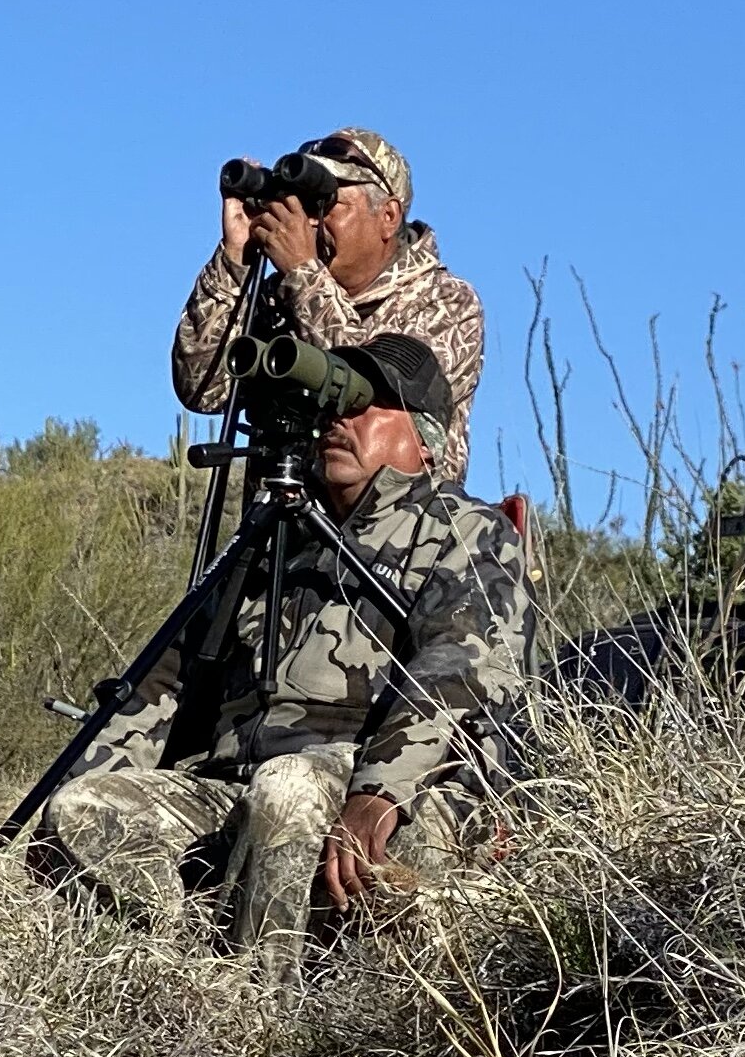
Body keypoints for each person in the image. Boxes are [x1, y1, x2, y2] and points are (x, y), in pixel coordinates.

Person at [43, 335, 530, 970]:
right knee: (82, 810)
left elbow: (458, 670)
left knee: (290, 786)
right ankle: (189, 963)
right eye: (336, 401)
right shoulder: (279, 533)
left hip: (397, 802)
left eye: (369, 403)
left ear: (426, 439)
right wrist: (95, 774)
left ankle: (259, 1026)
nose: (340, 418)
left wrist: (378, 792)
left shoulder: (464, 530)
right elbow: (165, 683)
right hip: (241, 796)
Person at [171, 128, 489, 481]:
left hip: (390, 529)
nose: (307, 220)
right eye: (304, 204)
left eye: (326, 203)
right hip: (278, 523)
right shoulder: (283, 294)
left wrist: (303, 273)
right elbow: (202, 389)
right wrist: (236, 262)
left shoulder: (447, 303)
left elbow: (371, 402)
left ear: (388, 216)